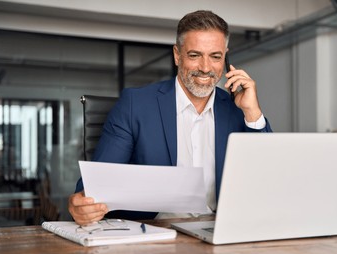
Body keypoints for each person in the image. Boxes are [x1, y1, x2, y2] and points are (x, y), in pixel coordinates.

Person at [69, 10, 272, 225]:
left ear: (225, 57)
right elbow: (96, 186)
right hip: (154, 233)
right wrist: (81, 204)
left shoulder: (236, 108)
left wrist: (253, 113)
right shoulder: (135, 104)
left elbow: (268, 179)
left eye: (215, 56)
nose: (205, 68)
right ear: (177, 55)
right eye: (195, 55)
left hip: (220, 231)